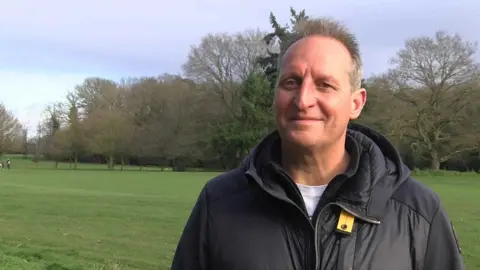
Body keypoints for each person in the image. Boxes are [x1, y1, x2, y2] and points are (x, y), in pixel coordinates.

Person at [171, 17, 465, 270]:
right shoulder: (219, 203)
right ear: (275, 95)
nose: (303, 100)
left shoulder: (419, 212)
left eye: (324, 85)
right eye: (291, 82)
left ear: (355, 103)